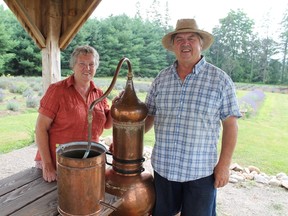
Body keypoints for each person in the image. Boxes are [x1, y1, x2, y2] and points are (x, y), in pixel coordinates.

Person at [144, 19, 242, 216]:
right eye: (179, 39)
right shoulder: (161, 79)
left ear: (200, 44)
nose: (185, 43)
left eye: (191, 38)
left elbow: (231, 125)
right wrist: (127, 138)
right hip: (164, 170)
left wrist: (224, 165)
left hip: (200, 172)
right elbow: (148, 116)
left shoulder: (220, 80)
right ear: (173, 46)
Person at [34, 45, 113, 182]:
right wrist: (47, 165)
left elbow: (107, 124)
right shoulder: (57, 91)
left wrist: (117, 106)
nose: (87, 68)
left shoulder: (99, 94)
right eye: (82, 63)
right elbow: (41, 128)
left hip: (88, 162)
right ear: (73, 66)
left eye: (91, 64)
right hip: (58, 164)